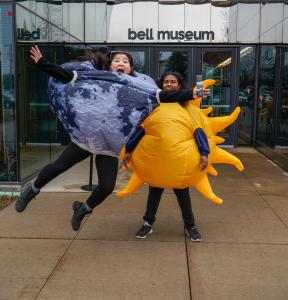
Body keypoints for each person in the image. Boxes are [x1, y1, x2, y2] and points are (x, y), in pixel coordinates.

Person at [15, 46, 208, 233]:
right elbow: (66, 76)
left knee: (107, 186)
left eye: (125, 61)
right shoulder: (99, 76)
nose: (121, 63)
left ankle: (83, 209)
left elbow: (164, 95)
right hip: (87, 137)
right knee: (59, 166)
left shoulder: (139, 87)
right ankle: (32, 191)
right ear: (110, 65)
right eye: (117, 60)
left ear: (131, 68)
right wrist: (42, 63)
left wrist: (191, 93)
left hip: (108, 145)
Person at [123, 71, 210, 242]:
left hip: (179, 163)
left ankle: (190, 225)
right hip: (157, 161)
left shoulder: (187, 108)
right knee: (154, 193)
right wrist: (128, 150)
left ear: (179, 86)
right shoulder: (155, 106)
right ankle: (147, 223)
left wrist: (204, 152)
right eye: (166, 82)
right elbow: (142, 129)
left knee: (183, 194)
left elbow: (198, 130)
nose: (169, 85)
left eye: (173, 82)